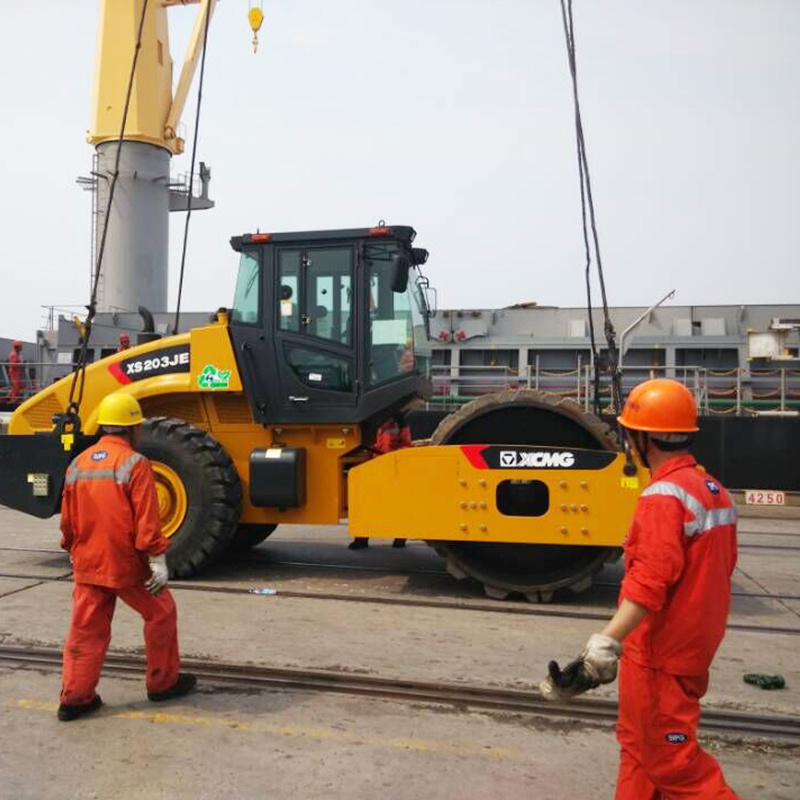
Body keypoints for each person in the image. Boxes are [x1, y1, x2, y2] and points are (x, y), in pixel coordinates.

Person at [540, 379, 739, 799]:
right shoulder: (713, 491)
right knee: (638, 750)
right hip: (689, 649)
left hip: (660, 655)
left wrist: (604, 644)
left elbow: (649, 583)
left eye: (629, 433)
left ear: (643, 439)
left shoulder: (661, 498)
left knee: (675, 765)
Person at [58, 394, 196, 721]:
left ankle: (75, 699)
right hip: (125, 565)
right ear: (133, 429)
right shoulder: (135, 464)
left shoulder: (78, 464)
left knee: (85, 629)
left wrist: (71, 549)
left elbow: (67, 520)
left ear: (105, 426)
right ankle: (163, 683)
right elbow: (146, 521)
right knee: (161, 612)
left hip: (88, 561)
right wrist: (157, 560)